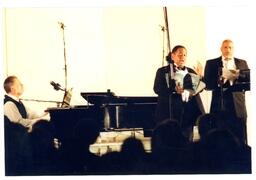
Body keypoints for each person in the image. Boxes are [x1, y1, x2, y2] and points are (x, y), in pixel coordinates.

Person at [3, 75, 56, 175]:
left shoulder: (19, 102)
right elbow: (19, 122)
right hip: (18, 142)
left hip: (24, 136)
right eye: (20, 84)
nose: (22, 86)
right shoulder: (9, 104)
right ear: (12, 88)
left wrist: (47, 111)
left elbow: (31, 114)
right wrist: (39, 120)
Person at [153, 45, 205, 141]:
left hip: (188, 113)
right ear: (173, 56)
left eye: (185, 55)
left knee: (187, 141)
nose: (183, 57)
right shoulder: (163, 71)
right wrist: (173, 89)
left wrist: (200, 77)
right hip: (170, 112)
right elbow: (157, 89)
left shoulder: (191, 71)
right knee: (170, 141)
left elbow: (200, 89)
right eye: (180, 55)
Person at [203, 39, 250, 144]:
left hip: (238, 107)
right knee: (219, 139)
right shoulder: (211, 63)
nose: (228, 50)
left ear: (233, 49)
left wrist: (237, 76)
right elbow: (207, 85)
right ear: (221, 49)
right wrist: (219, 81)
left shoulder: (242, 63)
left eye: (230, 47)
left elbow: (249, 83)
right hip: (219, 106)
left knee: (240, 139)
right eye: (225, 47)